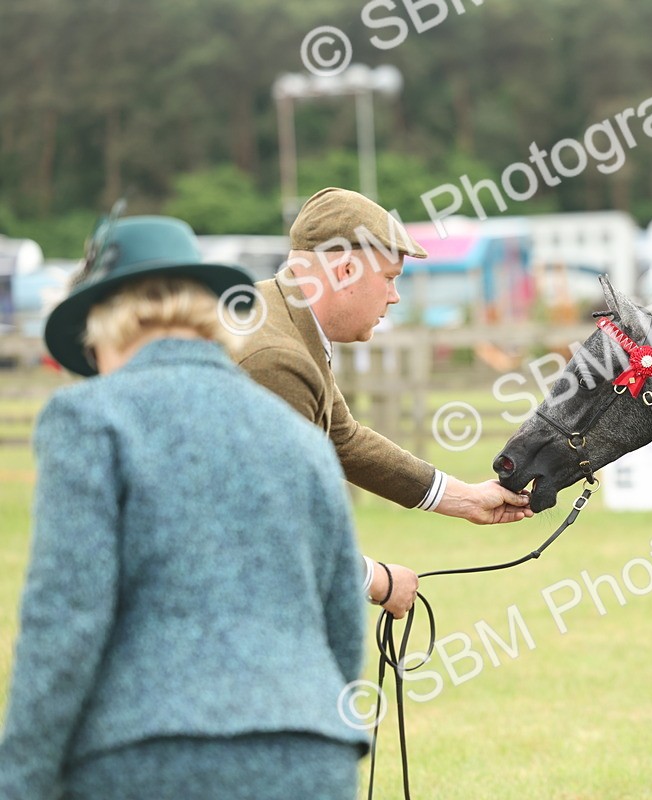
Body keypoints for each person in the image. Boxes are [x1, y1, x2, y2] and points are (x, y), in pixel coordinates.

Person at [0, 214, 373, 800]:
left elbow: (67, 619)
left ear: (103, 329)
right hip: (310, 753)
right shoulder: (298, 436)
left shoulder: (89, 418)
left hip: (145, 755)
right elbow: (342, 622)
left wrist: (20, 779)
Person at [236, 187, 533, 602]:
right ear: (345, 272)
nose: (395, 296)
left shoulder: (279, 319)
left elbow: (343, 439)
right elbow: (276, 523)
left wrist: (463, 499)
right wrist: (376, 581)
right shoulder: (275, 358)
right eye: (390, 279)